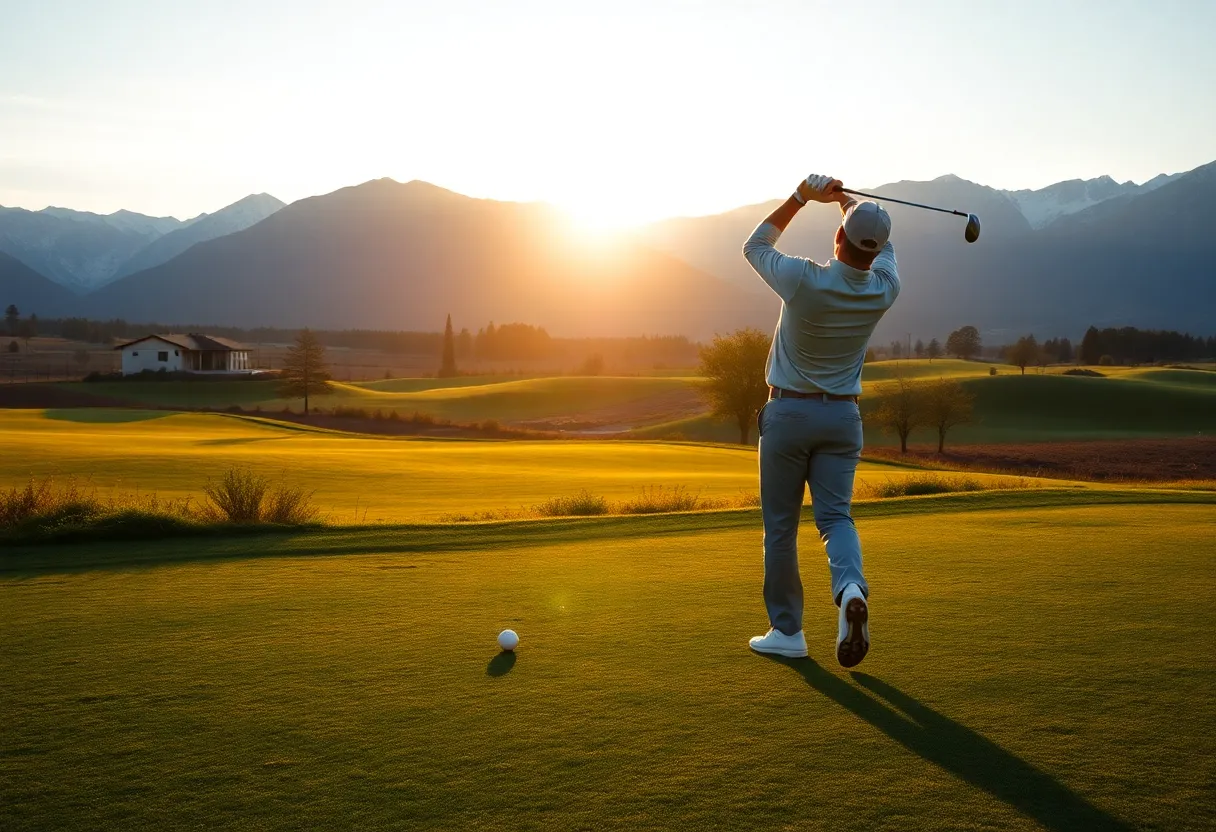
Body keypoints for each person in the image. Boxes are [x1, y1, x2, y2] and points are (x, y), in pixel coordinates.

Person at [741, 173, 898, 667]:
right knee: (835, 518)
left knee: (782, 527)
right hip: (842, 418)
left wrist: (802, 197)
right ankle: (850, 587)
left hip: (788, 413)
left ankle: (788, 632)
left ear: (838, 239)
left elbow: (754, 244)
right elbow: (878, 243)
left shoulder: (803, 277)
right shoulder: (885, 288)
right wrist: (848, 204)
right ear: (876, 250)